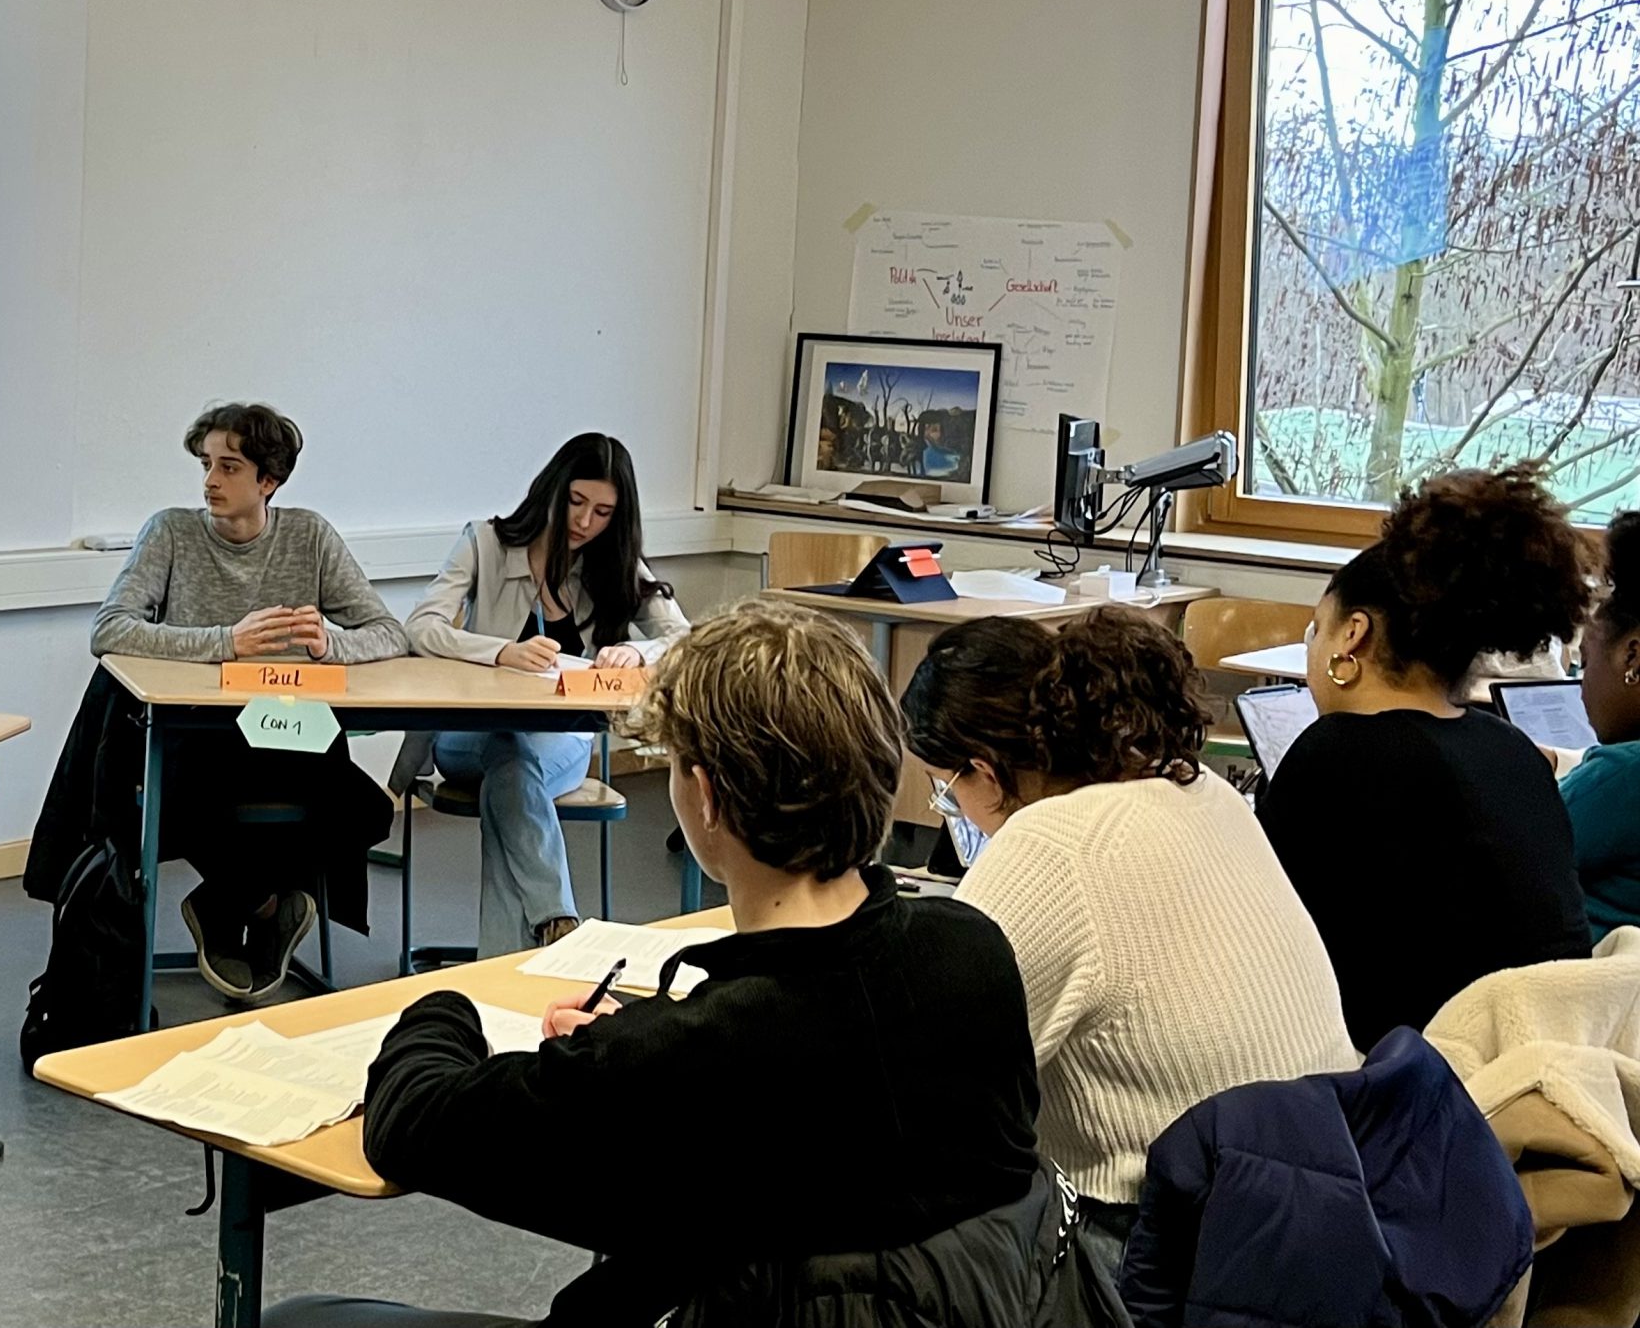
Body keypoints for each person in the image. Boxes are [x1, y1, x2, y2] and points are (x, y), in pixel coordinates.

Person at [271, 599, 1068, 1328]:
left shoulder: (682, 1058)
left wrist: (444, 1007)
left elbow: (412, 1125)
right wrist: (635, 1038)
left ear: (706, 796)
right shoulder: (972, 952)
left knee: (303, 1318)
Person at [903, 607, 1359, 1264]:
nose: (954, 812)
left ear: (986, 771)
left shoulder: (1048, 847)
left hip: (1179, 1241)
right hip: (1323, 1191)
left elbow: (921, 1088)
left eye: (947, 792)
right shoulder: (1197, 785)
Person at [1260, 464, 1593, 1048]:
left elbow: (1257, 936)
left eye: (1318, 627)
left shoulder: (1336, 754)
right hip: (1536, 1062)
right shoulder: (1512, 750)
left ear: (1353, 635)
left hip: (1403, 1074)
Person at [89, 401, 406, 1000]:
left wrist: (330, 645)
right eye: (206, 465)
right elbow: (109, 629)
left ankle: (224, 902)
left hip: (290, 729)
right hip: (195, 733)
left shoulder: (309, 535)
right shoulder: (171, 531)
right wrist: (226, 643)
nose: (210, 480)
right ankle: (265, 907)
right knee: (186, 798)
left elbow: (389, 632)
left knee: (368, 812)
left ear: (269, 480)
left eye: (229, 467)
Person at [398, 434, 687, 954]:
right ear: (552, 489)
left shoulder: (615, 561)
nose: (585, 521)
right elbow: (421, 627)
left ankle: (525, 946)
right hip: (468, 737)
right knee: (509, 753)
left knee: (511, 776)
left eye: (603, 512)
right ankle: (556, 927)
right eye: (576, 501)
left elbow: (686, 639)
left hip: (561, 741)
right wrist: (500, 651)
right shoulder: (485, 542)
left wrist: (637, 651)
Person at [1558, 512, 1640, 941]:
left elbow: (1511, 852)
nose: (1582, 686)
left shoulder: (1622, 774)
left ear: (1633, 657)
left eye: (1584, 663)